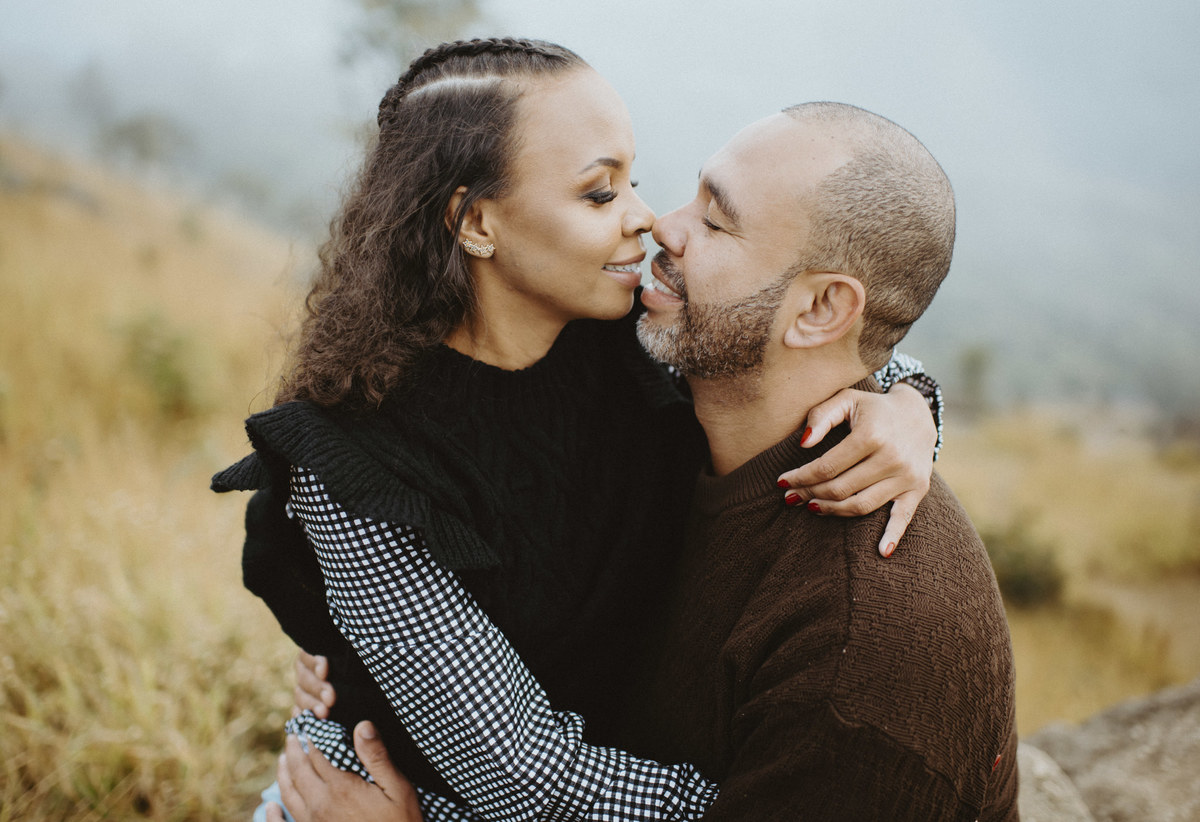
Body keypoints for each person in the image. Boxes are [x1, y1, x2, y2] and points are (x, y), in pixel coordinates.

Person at [213, 39, 942, 821]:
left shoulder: (623, 334)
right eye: (600, 195)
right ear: (476, 221)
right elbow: (520, 774)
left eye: (631, 179)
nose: (649, 220)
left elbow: (792, 341)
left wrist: (907, 403)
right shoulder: (357, 464)